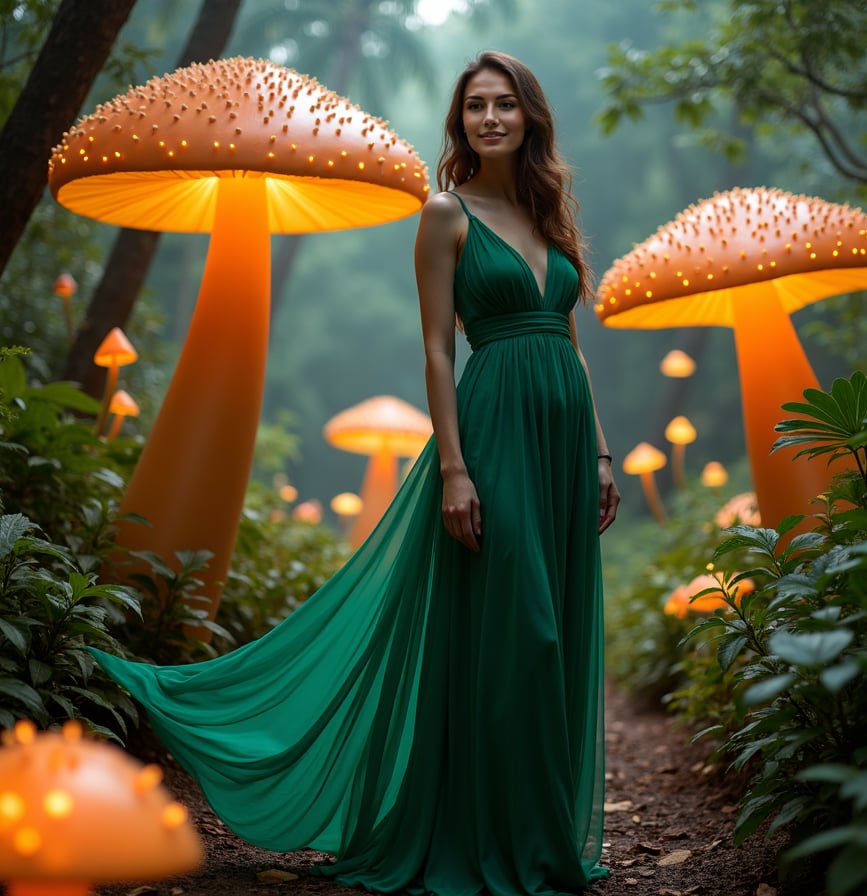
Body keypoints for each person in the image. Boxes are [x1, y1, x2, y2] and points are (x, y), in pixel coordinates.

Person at [88, 50, 620, 896]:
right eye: (475, 106)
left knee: (551, 634)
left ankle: (540, 835)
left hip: (561, 443)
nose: (490, 118)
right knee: (523, 634)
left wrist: (599, 450)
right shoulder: (446, 214)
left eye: (505, 104)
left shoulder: (548, 216)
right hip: (492, 435)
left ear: (531, 118)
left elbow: (572, 346)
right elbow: (438, 350)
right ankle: (485, 834)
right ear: (460, 122)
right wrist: (454, 469)